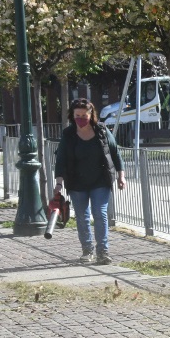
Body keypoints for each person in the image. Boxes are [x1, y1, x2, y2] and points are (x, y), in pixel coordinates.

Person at [53, 98, 126, 265]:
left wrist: (122, 176)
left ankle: (103, 251)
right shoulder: (68, 135)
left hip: (100, 180)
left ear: (91, 114)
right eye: (77, 115)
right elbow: (61, 160)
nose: (80, 118)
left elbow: (115, 154)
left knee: (100, 214)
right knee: (82, 216)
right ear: (72, 115)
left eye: (84, 115)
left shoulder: (101, 131)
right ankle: (87, 250)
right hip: (76, 182)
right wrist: (58, 183)